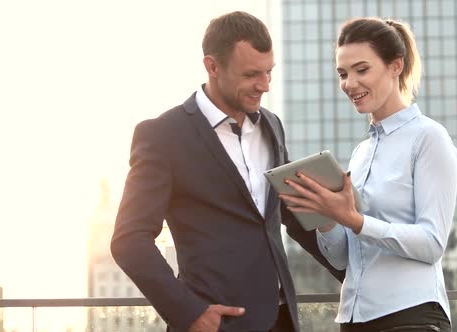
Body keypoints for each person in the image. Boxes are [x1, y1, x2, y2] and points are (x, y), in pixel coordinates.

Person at [111, 11, 340, 332]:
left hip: (282, 319)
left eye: (268, 73)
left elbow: (288, 213)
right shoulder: (162, 135)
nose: (264, 85)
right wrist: (188, 312)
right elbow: (129, 240)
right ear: (212, 66)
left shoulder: (271, 125)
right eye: (251, 75)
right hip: (215, 323)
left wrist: (350, 270)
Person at [280, 17, 457, 332]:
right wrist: (326, 218)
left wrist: (355, 220)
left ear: (395, 66)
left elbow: (432, 243)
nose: (350, 83)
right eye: (343, 74)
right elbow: (341, 260)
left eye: (362, 70)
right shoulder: (361, 153)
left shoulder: (429, 138)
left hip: (411, 317)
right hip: (354, 319)